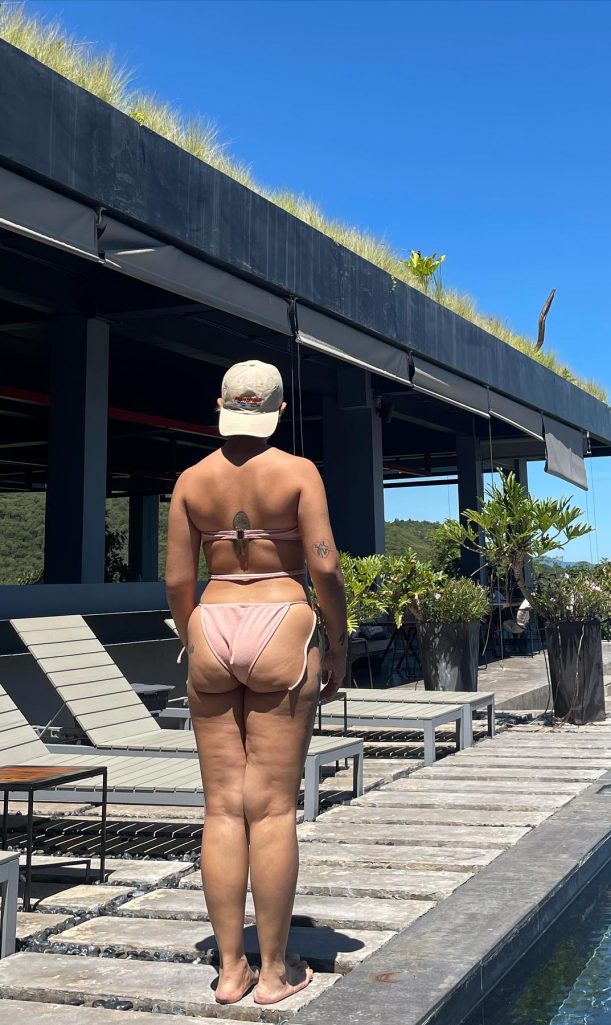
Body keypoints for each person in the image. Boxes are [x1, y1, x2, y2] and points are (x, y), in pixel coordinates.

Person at [165, 359, 347, 1006]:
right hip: (281, 625)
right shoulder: (298, 472)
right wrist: (338, 640)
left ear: (219, 404)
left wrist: (194, 639)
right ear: (279, 411)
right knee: (271, 809)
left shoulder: (192, 481)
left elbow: (178, 581)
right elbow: (324, 565)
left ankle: (229, 970)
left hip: (211, 623)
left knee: (221, 807)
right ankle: (273, 972)